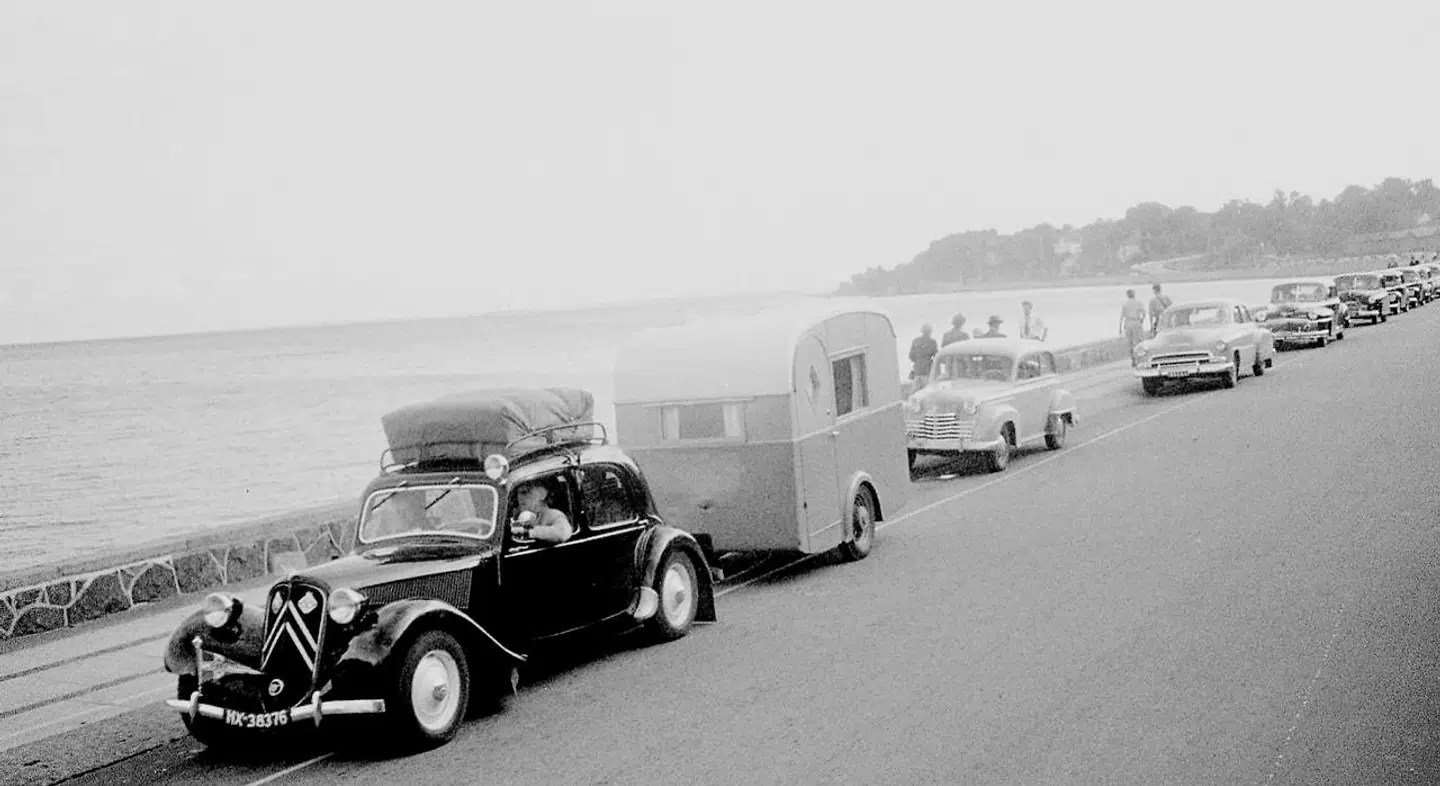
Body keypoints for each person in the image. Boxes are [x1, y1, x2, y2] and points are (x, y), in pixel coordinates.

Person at [1120, 289, 1147, 361]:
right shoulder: (1138, 303)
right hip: (1136, 322)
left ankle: (1133, 358)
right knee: (1138, 341)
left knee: (1130, 342)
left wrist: (1120, 328)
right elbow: (1144, 313)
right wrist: (1142, 319)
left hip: (1128, 323)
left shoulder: (1125, 304)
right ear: (1134, 294)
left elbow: (1122, 317)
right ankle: (1140, 357)